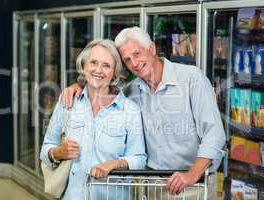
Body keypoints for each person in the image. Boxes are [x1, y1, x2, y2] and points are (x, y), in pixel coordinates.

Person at [60, 27, 226, 199]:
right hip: (150, 184)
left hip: (192, 185)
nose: (134, 63)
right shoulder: (131, 91)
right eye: (127, 60)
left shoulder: (192, 79)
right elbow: (101, 85)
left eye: (137, 54)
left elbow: (214, 135)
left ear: (152, 49)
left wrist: (192, 174)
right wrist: (78, 87)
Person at [40, 39, 147, 200]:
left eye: (106, 65)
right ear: (83, 66)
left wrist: (115, 164)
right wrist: (58, 152)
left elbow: (139, 158)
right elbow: (45, 149)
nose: (98, 70)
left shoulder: (130, 110)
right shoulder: (68, 103)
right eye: (93, 62)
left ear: (114, 72)